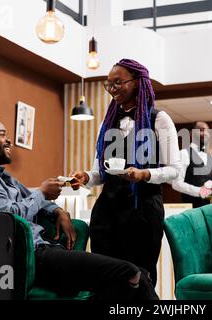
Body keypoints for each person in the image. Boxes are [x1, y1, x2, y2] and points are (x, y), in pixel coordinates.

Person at [0, 115, 158, 300]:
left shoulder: (0, 174)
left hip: (43, 250)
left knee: (138, 275)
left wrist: (57, 211)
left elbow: (32, 200)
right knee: (131, 275)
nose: (8, 140)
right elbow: (6, 215)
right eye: (1, 134)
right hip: (30, 256)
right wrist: (42, 192)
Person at [71, 59, 181, 286]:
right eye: (108, 84)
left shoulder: (159, 119)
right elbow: (100, 173)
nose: (112, 89)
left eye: (118, 82)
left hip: (143, 211)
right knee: (105, 276)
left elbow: (175, 170)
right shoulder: (107, 122)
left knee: (140, 278)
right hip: (107, 211)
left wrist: (144, 175)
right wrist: (86, 178)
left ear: (137, 83)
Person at [171, 121, 212, 208]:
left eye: (207, 131)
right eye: (201, 130)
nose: (205, 133)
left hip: (210, 208)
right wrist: (199, 191)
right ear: (191, 134)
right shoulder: (184, 154)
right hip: (190, 208)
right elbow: (176, 183)